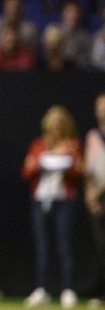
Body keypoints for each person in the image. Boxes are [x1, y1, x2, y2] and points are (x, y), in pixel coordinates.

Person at [22, 105, 83, 309]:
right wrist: (36, 163)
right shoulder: (39, 145)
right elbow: (27, 172)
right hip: (41, 201)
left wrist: (71, 162)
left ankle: (68, 289)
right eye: (54, 126)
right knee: (43, 247)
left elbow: (78, 173)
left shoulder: (73, 145)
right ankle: (42, 289)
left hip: (63, 201)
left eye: (61, 126)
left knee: (65, 246)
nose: (57, 130)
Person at [84, 92, 105, 308]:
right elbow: (88, 170)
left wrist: (97, 192)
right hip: (98, 202)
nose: (102, 110)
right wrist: (90, 195)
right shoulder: (92, 136)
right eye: (99, 106)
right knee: (101, 248)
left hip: (101, 194)